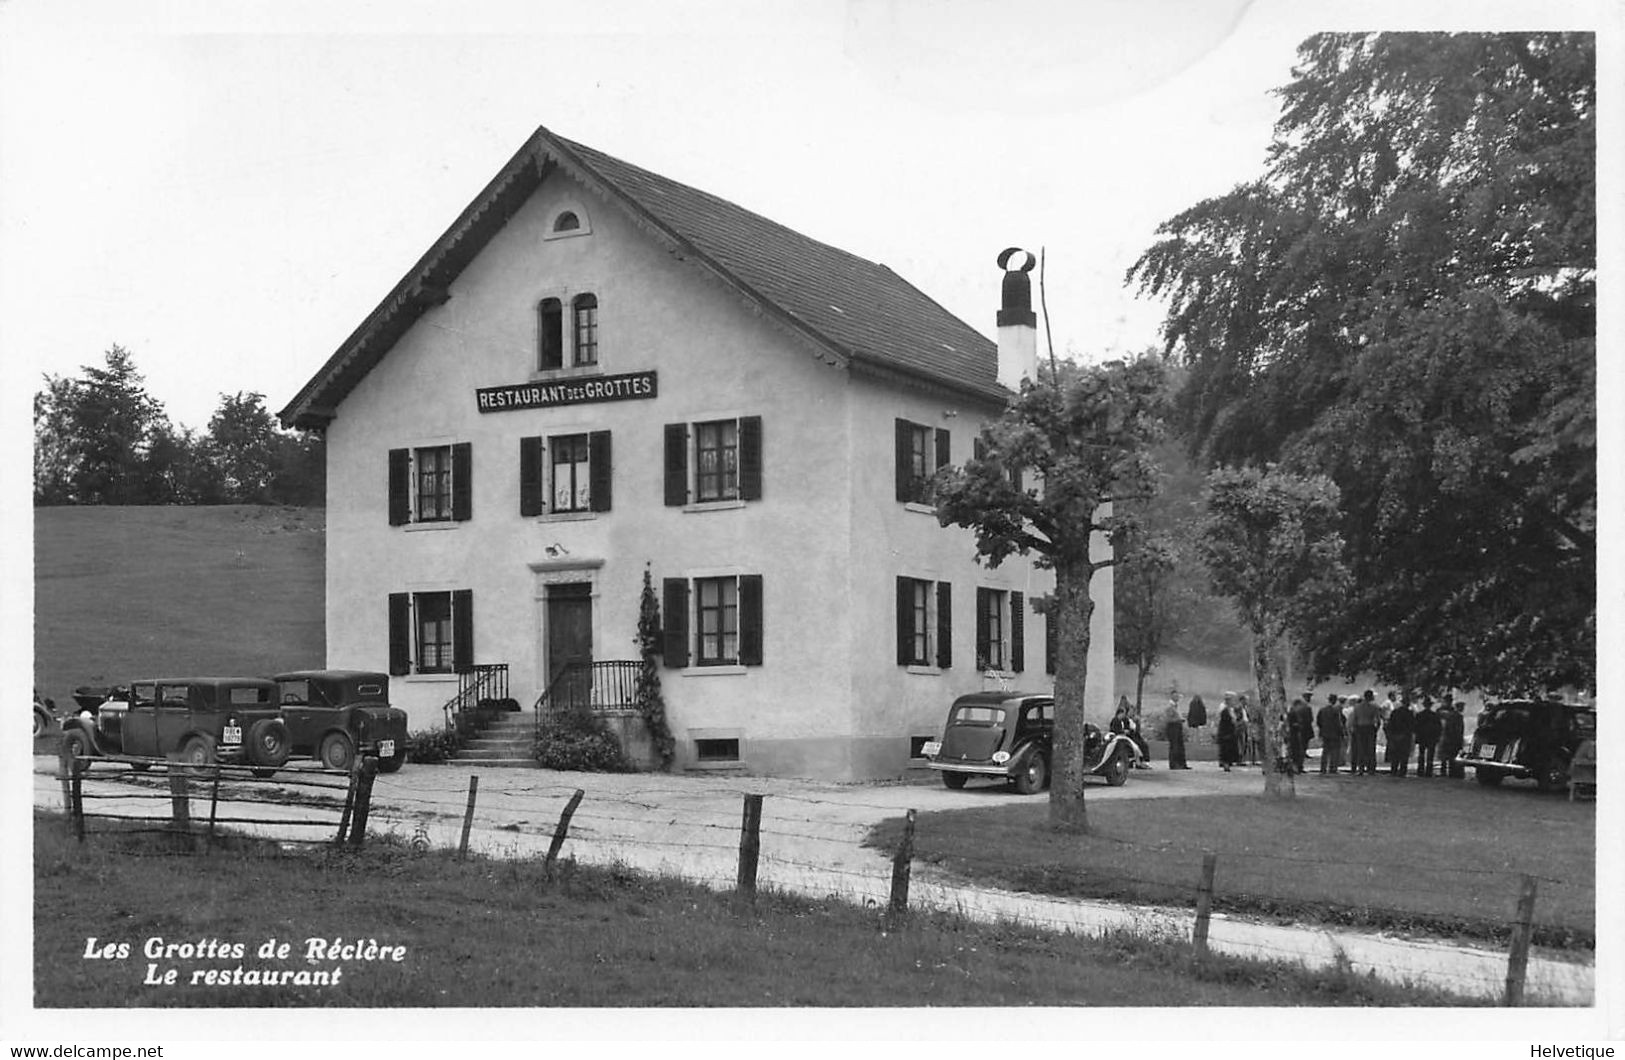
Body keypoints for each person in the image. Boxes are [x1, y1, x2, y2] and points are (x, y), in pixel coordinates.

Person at [1111, 700, 1152, 768]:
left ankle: (1142, 761)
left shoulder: (1126, 720)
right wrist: (1124, 731)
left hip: (1130, 735)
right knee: (1135, 744)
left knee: (1143, 744)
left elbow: (1130, 729)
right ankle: (1137, 761)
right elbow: (1115, 730)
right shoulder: (1116, 721)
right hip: (1122, 736)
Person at [1350, 690, 1381, 775]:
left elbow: (1354, 720)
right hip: (1370, 727)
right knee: (1371, 749)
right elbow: (1378, 720)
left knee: (1361, 749)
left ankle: (1361, 768)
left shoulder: (1357, 707)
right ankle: (1371, 768)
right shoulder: (1374, 707)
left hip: (1360, 727)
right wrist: (1376, 729)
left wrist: (1354, 729)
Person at [1386, 693, 1416, 777]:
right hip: (1405, 735)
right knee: (1404, 754)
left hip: (1395, 735)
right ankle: (1402, 771)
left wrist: (1390, 735)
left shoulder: (1395, 712)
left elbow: (1390, 724)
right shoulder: (1409, 713)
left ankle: (1394, 770)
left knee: (1395, 754)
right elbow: (1412, 725)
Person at [1413, 696, 1442, 777]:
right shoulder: (1435, 715)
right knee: (1430, 755)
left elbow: (1416, 727)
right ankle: (1429, 771)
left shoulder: (1419, 715)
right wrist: (1437, 736)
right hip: (1431, 737)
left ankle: (1420, 770)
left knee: (1421, 754)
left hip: (1422, 737)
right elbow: (1438, 727)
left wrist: (1417, 736)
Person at [1316, 693, 1345, 774]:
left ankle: (1323, 768)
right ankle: (1333, 768)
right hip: (1335, 733)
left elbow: (1318, 721)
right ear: (1335, 700)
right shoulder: (1336, 710)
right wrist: (1342, 733)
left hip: (1325, 733)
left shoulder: (1322, 710)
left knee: (1325, 751)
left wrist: (1322, 729)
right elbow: (1338, 723)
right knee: (1335, 751)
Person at [1439, 697, 1466, 778]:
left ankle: (1446, 772)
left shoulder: (1450, 715)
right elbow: (1458, 729)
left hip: (1449, 738)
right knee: (1453, 756)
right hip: (1454, 739)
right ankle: (1453, 773)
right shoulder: (1458, 716)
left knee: (1448, 756)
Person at [1162, 691, 1190, 769]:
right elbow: (1168, 718)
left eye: (1178, 696)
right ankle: (1174, 764)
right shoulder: (1170, 706)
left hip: (1178, 725)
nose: (1177, 698)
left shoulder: (1177, 706)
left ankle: (1182, 764)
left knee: (1180, 745)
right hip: (1172, 726)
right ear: (1172, 696)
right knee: (1174, 745)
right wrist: (1178, 719)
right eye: (1175, 696)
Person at [1288, 696, 1315, 773]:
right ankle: (1299, 766)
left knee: (1296, 750)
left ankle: (1296, 766)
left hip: (1297, 733)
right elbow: (1310, 720)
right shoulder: (1306, 709)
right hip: (1302, 732)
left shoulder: (1292, 711)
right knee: (1300, 750)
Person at [1216, 692, 1240, 772]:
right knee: (1225, 749)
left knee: (1230, 749)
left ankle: (1229, 762)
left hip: (1231, 732)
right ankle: (1225, 763)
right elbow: (1226, 722)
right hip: (1226, 733)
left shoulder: (1231, 710)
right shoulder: (1225, 711)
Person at [1243, 693, 1264, 765]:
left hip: (1255, 727)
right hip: (1251, 727)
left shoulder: (1255, 709)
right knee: (1251, 743)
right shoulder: (1247, 708)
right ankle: (1252, 759)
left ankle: (1255, 759)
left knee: (1256, 743)